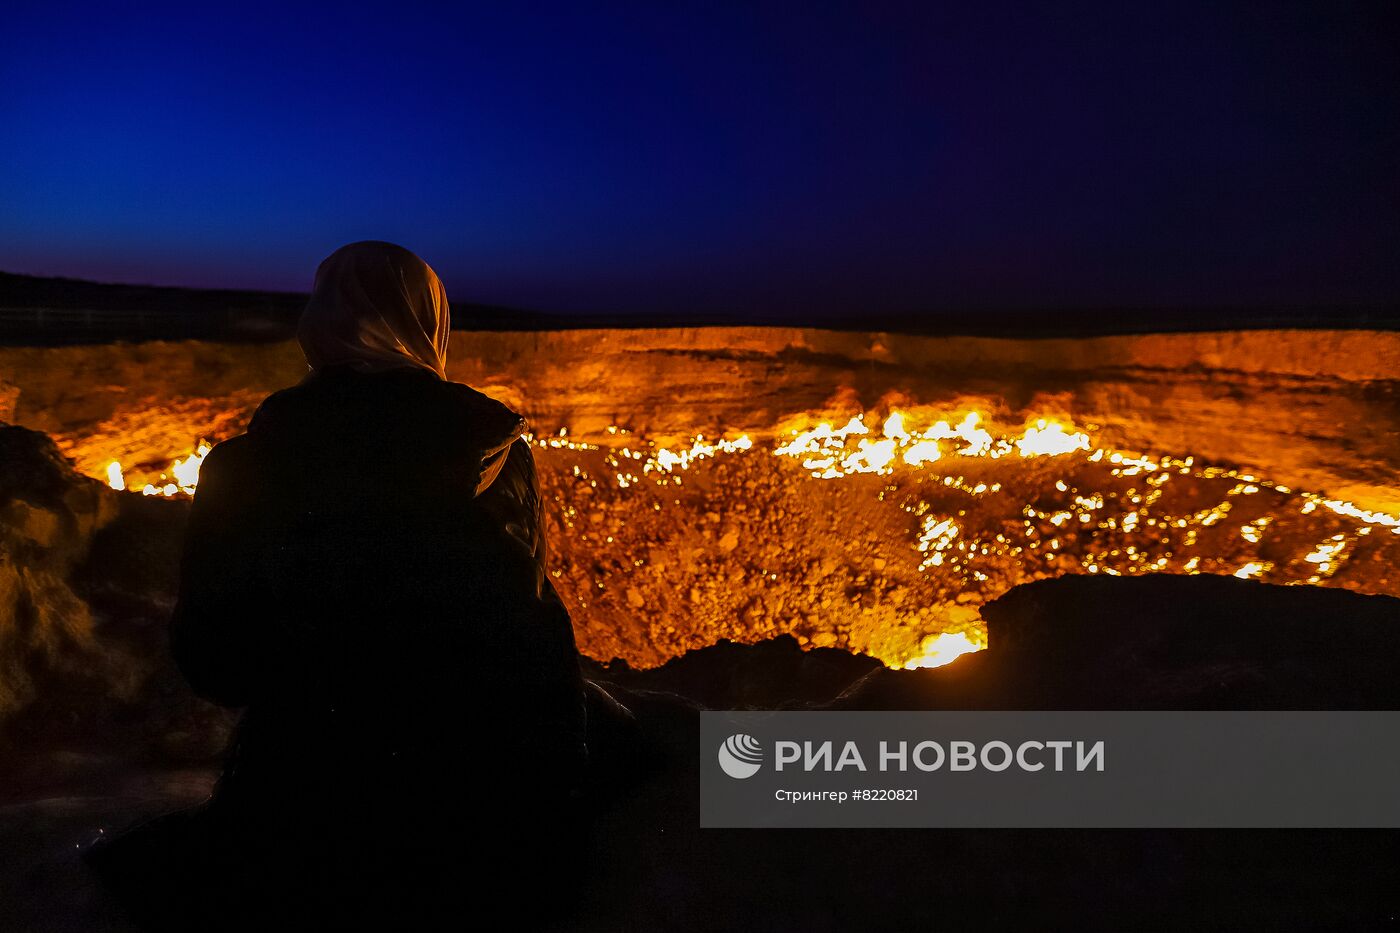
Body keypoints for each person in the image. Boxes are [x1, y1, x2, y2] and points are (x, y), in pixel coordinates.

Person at [90, 242, 588, 929]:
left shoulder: (242, 469)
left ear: (319, 322)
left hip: (304, 805)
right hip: (476, 804)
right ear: (430, 326)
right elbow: (532, 640)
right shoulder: (499, 460)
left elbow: (216, 662)